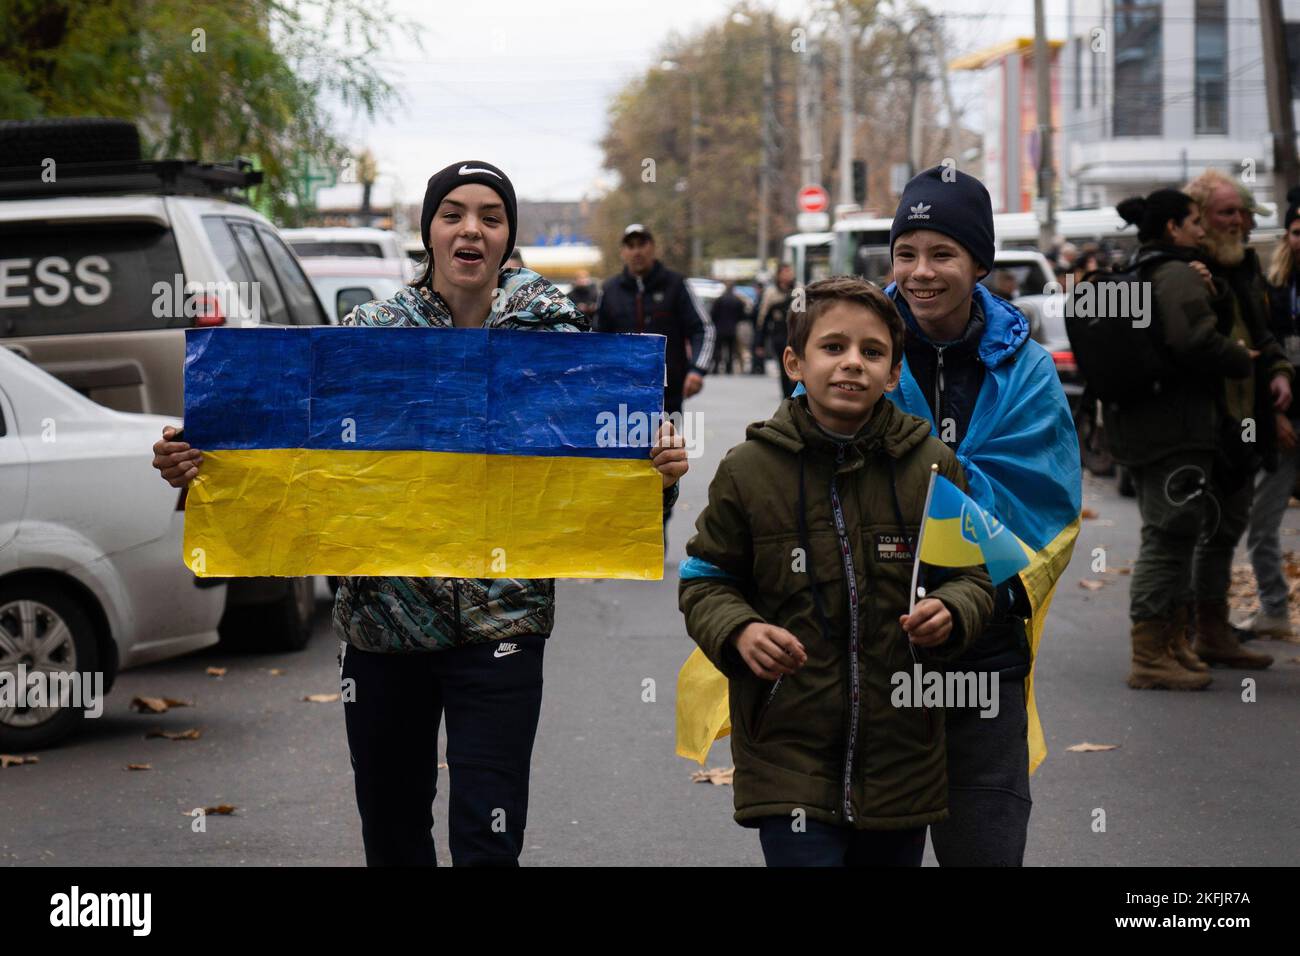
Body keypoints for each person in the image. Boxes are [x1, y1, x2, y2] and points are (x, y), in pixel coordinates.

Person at [151, 160, 689, 867]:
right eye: (454, 213)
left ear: (507, 239)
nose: (472, 228)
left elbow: (611, 490)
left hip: (504, 630)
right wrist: (196, 469)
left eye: (491, 216)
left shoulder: (565, 349)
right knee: (393, 833)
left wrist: (663, 475)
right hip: (381, 636)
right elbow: (299, 465)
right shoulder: (367, 336)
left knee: (487, 839)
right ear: (429, 232)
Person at [678, 276, 994, 867]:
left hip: (904, 755)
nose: (853, 364)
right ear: (794, 362)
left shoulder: (933, 466)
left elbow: (973, 577)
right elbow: (705, 579)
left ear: (895, 373)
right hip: (787, 752)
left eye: (872, 353)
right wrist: (741, 630)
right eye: (834, 348)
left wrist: (951, 610)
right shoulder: (748, 470)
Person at [883, 165, 1081, 866]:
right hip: (871, 650)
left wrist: (967, 597)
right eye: (906, 253)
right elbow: (799, 480)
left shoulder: (1026, 369)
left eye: (943, 254)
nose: (921, 272)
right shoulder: (854, 343)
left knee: (985, 849)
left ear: (980, 264)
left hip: (986, 648)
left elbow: (1046, 511)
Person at [1108, 189, 1253, 690]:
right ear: (1172, 228)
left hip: (1145, 426)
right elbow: (1194, 341)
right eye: (1193, 221)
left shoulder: (1137, 270)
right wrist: (1239, 357)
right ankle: (1150, 655)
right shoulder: (1173, 274)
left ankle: (1171, 644)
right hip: (1175, 431)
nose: (1199, 230)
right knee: (1169, 536)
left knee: (1176, 532)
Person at [1180, 168, 1292, 669]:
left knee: (1228, 525)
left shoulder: (1246, 265)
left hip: (1246, 421)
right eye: (1227, 212)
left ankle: (1209, 628)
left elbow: (1265, 334)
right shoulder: (1182, 266)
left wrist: (1280, 371)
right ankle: (1179, 634)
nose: (1239, 223)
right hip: (1198, 424)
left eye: (1244, 214)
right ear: (1198, 218)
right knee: (1188, 530)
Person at [1242, 187, 1300, 642]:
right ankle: (1275, 609)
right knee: (1263, 522)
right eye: (1298, 231)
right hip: (1285, 424)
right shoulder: (1272, 290)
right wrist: (1273, 416)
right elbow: (1263, 355)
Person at [595, 224, 713, 418]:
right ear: (622, 252)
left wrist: (697, 370)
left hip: (667, 396)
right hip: (620, 395)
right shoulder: (609, 290)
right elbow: (597, 339)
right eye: (630, 246)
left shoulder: (676, 285)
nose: (637, 251)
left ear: (652, 247)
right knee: (624, 447)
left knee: (665, 448)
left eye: (642, 244)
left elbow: (703, 328)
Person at [756, 263, 796, 396]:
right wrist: (760, 343)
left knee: (799, 368)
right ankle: (787, 399)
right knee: (784, 369)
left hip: (796, 334)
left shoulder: (799, 290)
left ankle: (798, 399)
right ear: (778, 275)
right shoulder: (771, 293)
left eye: (789, 272)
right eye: (784, 272)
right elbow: (763, 318)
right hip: (779, 335)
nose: (787, 275)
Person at [708, 280, 744, 374]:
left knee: (718, 348)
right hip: (732, 328)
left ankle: (716, 367)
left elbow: (712, 314)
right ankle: (729, 368)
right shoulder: (737, 301)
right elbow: (742, 315)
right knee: (731, 349)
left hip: (719, 328)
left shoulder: (719, 300)